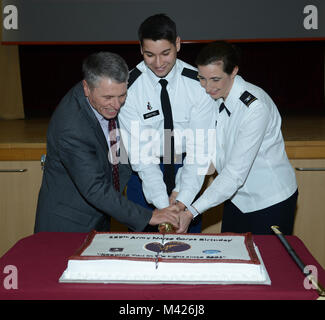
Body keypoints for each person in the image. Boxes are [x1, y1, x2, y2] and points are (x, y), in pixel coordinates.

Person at [34, 51, 180, 233]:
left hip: (103, 215)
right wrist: (150, 216)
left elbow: (137, 149)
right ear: (87, 88)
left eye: (122, 95)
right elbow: (94, 188)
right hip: (69, 225)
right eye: (108, 98)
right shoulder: (71, 127)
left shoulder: (113, 101)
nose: (117, 105)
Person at [179, 41, 298, 235]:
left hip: (270, 201)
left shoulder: (254, 108)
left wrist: (192, 211)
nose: (207, 87)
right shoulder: (214, 97)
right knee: (234, 259)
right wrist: (181, 197)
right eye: (202, 78)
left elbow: (234, 174)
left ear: (233, 71)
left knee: (267, 263)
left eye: (215, 79)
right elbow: (206, 156)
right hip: (236, 198)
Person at [118, 14, 216, 232]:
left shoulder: (198, 84)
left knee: (187, 253)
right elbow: (141, 155)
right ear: (140, 49)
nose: (159, 63)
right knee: (142, 252)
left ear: (178, 44)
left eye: (165, 53)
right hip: (143, 175)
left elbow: (199, 151)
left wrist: (182, 199)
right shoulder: (129, 88)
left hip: (188, 169)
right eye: (149, 55)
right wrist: (164, 207)